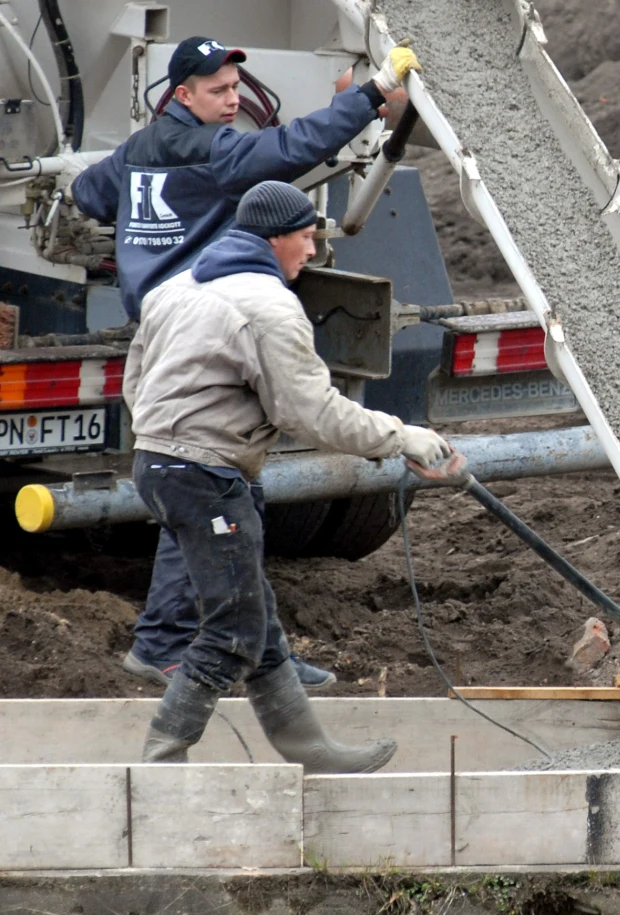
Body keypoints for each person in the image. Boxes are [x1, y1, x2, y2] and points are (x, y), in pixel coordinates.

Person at [71, 35, 422, 689]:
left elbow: (90, 193)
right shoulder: (211, 153)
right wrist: (373, 96)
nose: (233, 100)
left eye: (236, 88)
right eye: (218, 90)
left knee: (230, 494)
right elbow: (286, 151)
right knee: (212, 490)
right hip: (199, 336)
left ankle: (256, 652)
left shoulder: (136, 154)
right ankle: (166, 645)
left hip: (168, 330)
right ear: (182, 95)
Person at [125, 180, 455, 769]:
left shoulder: (175, 287)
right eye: (306, 238)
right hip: (205, 474)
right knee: (231, 633)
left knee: (255, 615)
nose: (312, 252)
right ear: (274, 238)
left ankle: (313, 751)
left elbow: (138, 381)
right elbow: (309, 413)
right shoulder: (271, 307)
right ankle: (159, 762)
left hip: (163, 463)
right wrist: (402, 437)